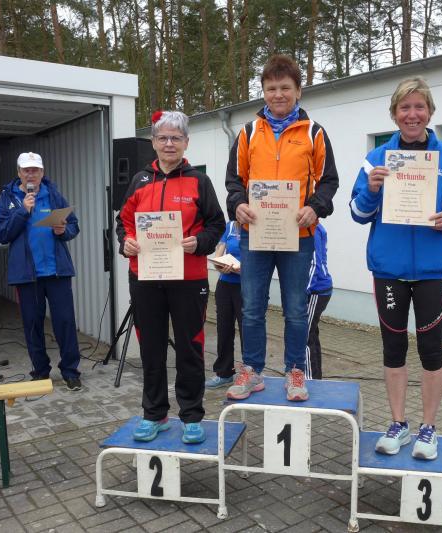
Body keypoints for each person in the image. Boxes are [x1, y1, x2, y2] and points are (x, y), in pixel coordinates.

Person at [350, 77, 442, 460]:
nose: (412, 114)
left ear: (430, 113)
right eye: (405, 107)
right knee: (393, 349)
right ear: (394, 114)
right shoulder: (377, 159)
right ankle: (398, 424)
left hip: (434, 270)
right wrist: (371, 190)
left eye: (419, 107)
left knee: (431, 350)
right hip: (389, 269)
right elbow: (357, 213)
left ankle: (429, 428)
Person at [225, 54, 339, 402]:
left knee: (295, 309)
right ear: (263, 92)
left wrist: (314, 207)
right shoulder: (248, 133)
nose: (278, 94)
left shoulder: (314, 132)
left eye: (285, 88)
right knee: (251, 308)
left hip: (298, 236)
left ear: (298, 91)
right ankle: (252, 371)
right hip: (256, 234)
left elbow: (329, 181)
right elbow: (234, 181)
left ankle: (294, 371)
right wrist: (238, 204)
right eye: (271, 88)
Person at [117, 110, 225, 444]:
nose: (169, 143)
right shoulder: (140, 180)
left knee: (190, 348)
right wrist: (126, 242)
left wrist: (200, 242)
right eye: (162, 137)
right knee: (151, 349)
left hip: (189, 279)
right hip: (145, 277)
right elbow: (124, 222)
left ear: (186, 142)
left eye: (175, 138)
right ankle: (155, 414)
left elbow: (216, 224)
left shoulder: (199, 181)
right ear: (153, 142)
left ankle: (191, 416)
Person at [0, 152, 83, 391]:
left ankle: (71, 371)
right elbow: (0, 233)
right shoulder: (7, 198)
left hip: (57, 272)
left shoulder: (53, 194)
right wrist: (22, 210)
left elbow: (73, 225)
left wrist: (64, 231)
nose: (31, 174)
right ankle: (40, 372)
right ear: (19, 172)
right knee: (33, 325)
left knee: (65, 322)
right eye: (26, 170)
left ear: (42, 172)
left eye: (35, 170)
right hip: (26, 275)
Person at [205, 221, 242, 389]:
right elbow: (219, 253)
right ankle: (224, 373)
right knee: (224, 329)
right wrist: (219, 266)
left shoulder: (257, 228)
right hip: (225, 284)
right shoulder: (230, 226)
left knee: (247, 330)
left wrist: (243, 270)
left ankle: (251, 373)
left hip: (246, 286)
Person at [304, 222, 332, 380]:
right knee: (311, 334)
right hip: (318, 289)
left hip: (316, 290)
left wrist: (302, 292)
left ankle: (308, 379)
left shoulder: (312, 229)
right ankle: (316, 377)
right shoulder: (317, 228)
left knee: (303, 335)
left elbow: (314, 264)